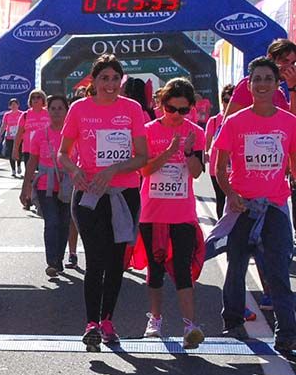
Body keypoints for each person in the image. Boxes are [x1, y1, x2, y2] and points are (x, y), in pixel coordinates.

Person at [57, 54, 149, 350]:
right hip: (89, 194)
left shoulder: (132, 109)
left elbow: (142, 157)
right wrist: (75, 171)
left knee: (115, 262)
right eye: (104, 78)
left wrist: (113, 169)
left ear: (121, 81)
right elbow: (63, 153)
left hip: (123, 194)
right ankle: (91, 323)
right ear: (93, 81)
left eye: (114, 78)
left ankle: (108, 320)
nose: (109, 84)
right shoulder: (79, 109)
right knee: (95, 259)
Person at [211, 57, 296, 352]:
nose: (261, 84)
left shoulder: (289, 122)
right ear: (249, 84)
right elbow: (219, 167)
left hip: (274, 208)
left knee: (278, 272)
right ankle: (233, 322)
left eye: (267, 79)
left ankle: (287, 332)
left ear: (276, 84)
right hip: (242, 207)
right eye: (256, 79)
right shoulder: (234, 122)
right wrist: (231, 195)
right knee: (235, 268)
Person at [138, 78, 206, 348]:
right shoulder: (147, 130)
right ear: (161, 104)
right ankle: (155, 319)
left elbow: (197, 172)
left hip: (182, 212)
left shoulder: (195, 133)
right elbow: (143, 171)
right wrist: (168, 152)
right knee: (155, 270)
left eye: (183, 110)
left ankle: (190, 325)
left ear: (191, 108)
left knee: (183, 270)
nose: (177, 115)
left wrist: (188, 151)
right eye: (171, 108)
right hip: (152, 211)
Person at [20, 94, 72, 277]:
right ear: (47, 111)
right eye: (53, 108)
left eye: (60, 108)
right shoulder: (41, 134)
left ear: (67, 111)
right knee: (52, 222)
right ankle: (52, 262)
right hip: (45, 185)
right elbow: (32, 161)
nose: (56, 112)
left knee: (64, 223)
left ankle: (58, 259)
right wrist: (25, 186)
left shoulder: (72, 133)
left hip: (67, 185)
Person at [225, 38, 296, 117]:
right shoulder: (251, 84)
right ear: (270, 58)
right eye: (285, 61)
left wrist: (292, 88)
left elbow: (291, 123)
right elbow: (227, 123)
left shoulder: (279, 93)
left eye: (293, 63)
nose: (290, 67)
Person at [13, 90, 50, 202]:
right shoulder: (25, 115)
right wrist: (15, 150)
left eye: (38, 97)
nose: (36, 99)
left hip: (45, 151)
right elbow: (19, 134)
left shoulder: (48, 114)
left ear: (43, 100)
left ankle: (40, 197)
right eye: (33, 97)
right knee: (29, 174)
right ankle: (28, 197)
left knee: (43, 176)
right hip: (29, 150)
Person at [205, 84, 235, 218]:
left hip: (236, 168)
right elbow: (206, 145)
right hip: (217, 167)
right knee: (221, 199)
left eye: (232, 101)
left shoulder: (241, 120)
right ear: (222, 101)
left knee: (237, 200)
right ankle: (222, 232)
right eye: (226, 100)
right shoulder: (214, 121)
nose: (229, 104)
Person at [0, 98, 23, 177]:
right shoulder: (7, 115)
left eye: (15, 105)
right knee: (11, 154)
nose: (14, 106)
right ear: (9, 106)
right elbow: (4, 125)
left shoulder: (21, 114)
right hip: (9, 137)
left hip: (19, 137)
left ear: (18, 105)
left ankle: (19, 165)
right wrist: (0, 135)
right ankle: (13, 170)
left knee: (19, 152)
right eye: (12, 105)